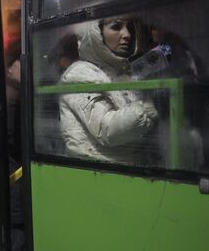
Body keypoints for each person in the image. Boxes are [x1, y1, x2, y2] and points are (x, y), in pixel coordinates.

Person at [59, 18, 158, 164]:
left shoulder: (122, 73)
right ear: (96, 34)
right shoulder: (79, 73)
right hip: (96, 172)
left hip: (128, 166)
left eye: (130, 28)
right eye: (116, 27)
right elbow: (106, 130)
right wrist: (151, 106)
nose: (127, 35)